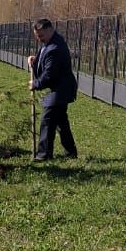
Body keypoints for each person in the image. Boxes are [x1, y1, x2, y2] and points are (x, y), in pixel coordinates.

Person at [28, 18, 78, 161]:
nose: (39, 39)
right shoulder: (49, 42)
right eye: (37, 36)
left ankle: (44, 155)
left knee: (48, 119)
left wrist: (35, 84)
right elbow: (44, 57)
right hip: (59, 88)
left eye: (41, 35)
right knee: (61, 121)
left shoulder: (56, 47)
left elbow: (49, 75)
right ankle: (71, 152)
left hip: (61, 89)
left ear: (50, 30)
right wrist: (34, 60)